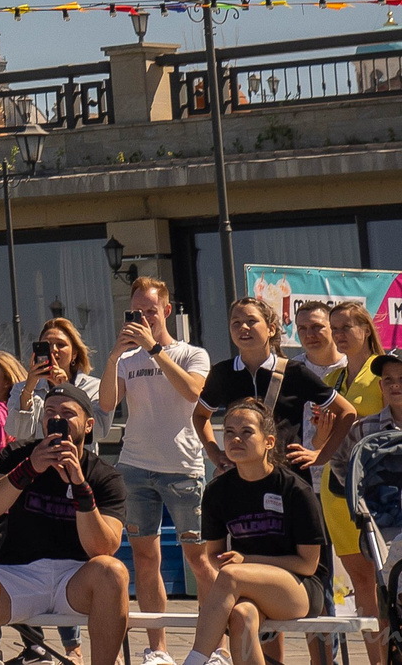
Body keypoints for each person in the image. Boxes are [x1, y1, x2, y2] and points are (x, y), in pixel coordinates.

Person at [0, 389, 129, 665]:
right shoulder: (18, 454)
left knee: (114, 572)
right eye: (50, 413)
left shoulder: (103, 475)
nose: (57, 419)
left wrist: (79, 486)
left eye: (67, 414)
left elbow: (103, 548)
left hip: (75, 578)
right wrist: (29, 469)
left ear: (88, 425)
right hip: (20, 575)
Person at [178, 398, 327, 665]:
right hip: (245, 584)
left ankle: (194, 661)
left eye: (246, 432)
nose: (236, 439)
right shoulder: (217, 491)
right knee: (241, 616)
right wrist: (235, 566)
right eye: (229, 432)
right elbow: (213, 554)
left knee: (231, 575)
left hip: (299, 588)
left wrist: (246, 562)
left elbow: (308, 564)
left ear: (269, 441)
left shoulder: (295, 490)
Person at [112, 278, 212, 665]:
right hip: (135, 467)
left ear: (166, 311)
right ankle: (158, 649)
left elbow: (193, 392)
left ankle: (214, 647)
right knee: (144, 559)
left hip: (182, 468)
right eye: (136, 312)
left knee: (200, 560)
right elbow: (107, 403)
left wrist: (154, 349)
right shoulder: (127, 360)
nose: (143, 318)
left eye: (150, 311)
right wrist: (115, 355)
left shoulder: (192, 353)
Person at [199, 297, 348, 471]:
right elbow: (200, 415)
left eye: (251, 321)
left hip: (288, 475)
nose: (243, 327)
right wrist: (213, 452)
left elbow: (346, 411)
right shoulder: (223, 372)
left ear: (271, 329)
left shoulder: (294, 371)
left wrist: (322, 454)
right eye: (236, 323)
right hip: (242, 475)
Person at [313, 302, 388, 626]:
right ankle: (375, 653)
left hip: (379, 486)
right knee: (361, 582)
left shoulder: (385, 372)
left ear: (366, 329)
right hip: (337, 488)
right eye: (335, 328)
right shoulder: (332, 378)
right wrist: (323, 432)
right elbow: (319, 445)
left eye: (346, 327)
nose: (339, 334)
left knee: (388, 578)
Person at [14, 320, 102, 440]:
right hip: (40, 451)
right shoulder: (21, 389)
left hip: (77, 452)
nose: (53, 349)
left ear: (74, 354)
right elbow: (17, 432)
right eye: (47, 345)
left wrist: (66, 388)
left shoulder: (93, 387)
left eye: (61, 344)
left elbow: (99, 432)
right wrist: (28, 390)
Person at [293, 307, 340, 383]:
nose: (309, 335)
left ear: (333, 327)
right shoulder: (290, 371)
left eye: (317, 327)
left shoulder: (353, 367)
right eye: (302, 328)